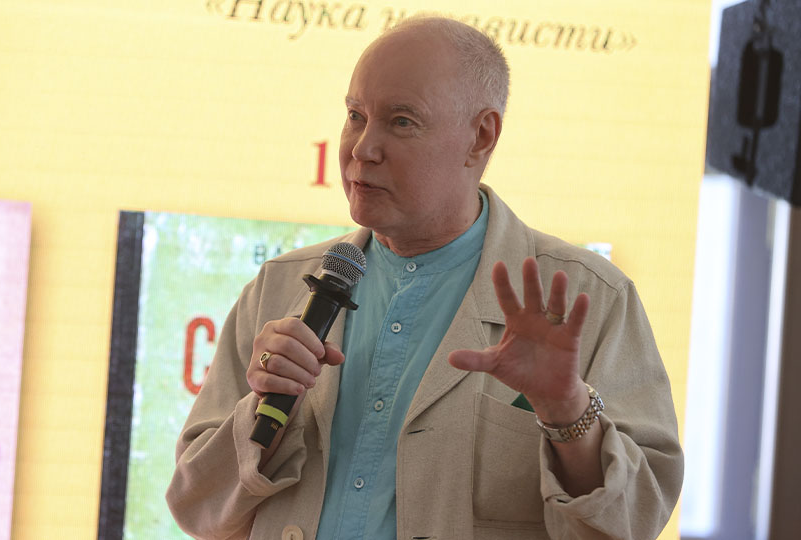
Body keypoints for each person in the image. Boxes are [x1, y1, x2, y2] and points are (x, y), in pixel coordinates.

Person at [166, 16, 683, 540]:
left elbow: (637, 519)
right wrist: (263, 409)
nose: (362, 148)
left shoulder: (587, 299)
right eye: (355, 116)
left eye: (401, 122)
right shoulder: (281, 286)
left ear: (481, 137)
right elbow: (196, 508)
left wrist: (568, 414)